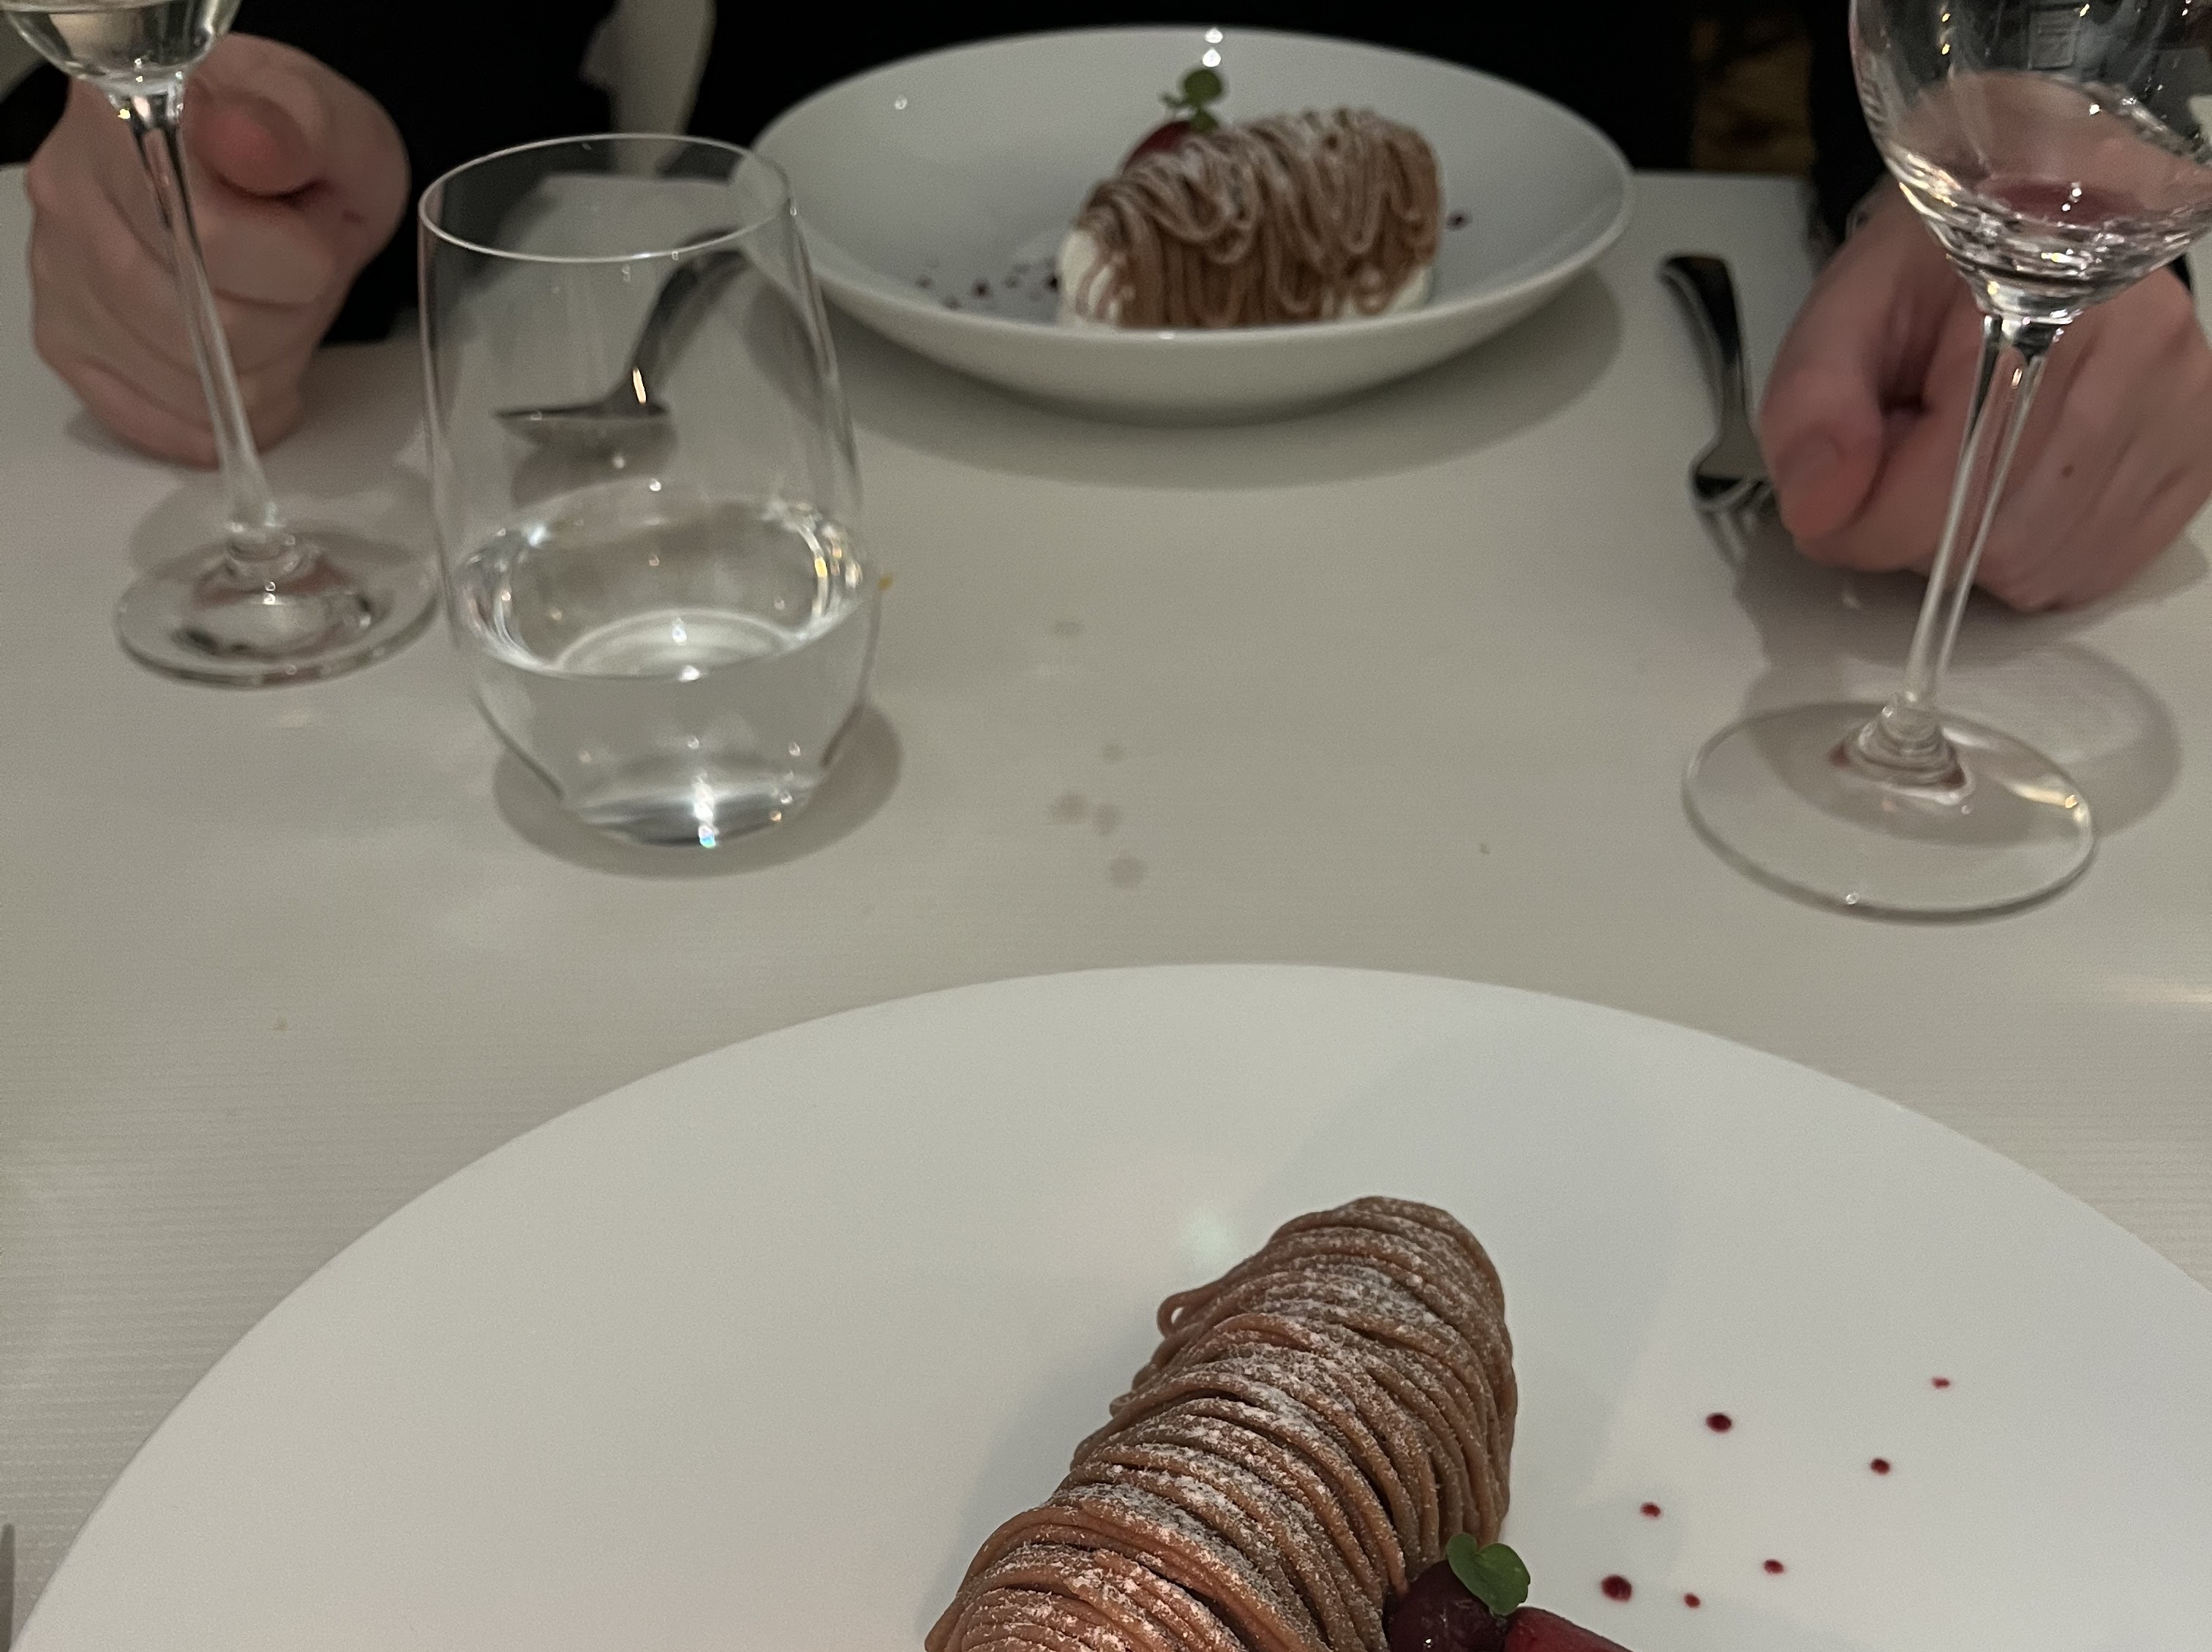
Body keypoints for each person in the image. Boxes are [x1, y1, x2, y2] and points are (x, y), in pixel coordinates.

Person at [9, 5, 2211, 611]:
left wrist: (2020, 153)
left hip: (1560, 436)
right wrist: (278, 126)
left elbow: (2011, 33)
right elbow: (420, 66)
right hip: (812, 393)